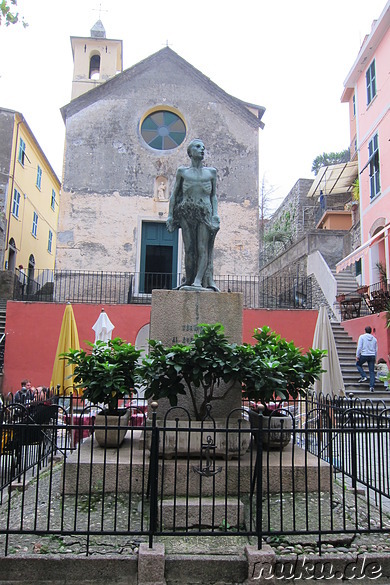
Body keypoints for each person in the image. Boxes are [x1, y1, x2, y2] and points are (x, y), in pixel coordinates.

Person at [166, 139, 220, 290]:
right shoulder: (182, 172)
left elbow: (214, 196)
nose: (202, 149)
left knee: (202, 247)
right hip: (186, 213)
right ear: (190, 152)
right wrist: (170, 215)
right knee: (189, 250)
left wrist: (215, 215)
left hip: (204, 212)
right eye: (198, 147)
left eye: (203, 147)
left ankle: (198, 280)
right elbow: (174, 195)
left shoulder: (211, 173)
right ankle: (189, 279)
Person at [356, 326, 378, 392]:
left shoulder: (362, 337)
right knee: (372, 371)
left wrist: (357, 355)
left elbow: (359, 347)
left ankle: (364, 376)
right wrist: (375, 358)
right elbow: (376, 349)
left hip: (364, 354)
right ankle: (372, 386)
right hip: (372, 355)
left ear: (365, 330)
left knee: (358, 364)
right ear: (371, 331)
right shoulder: (374, 339)